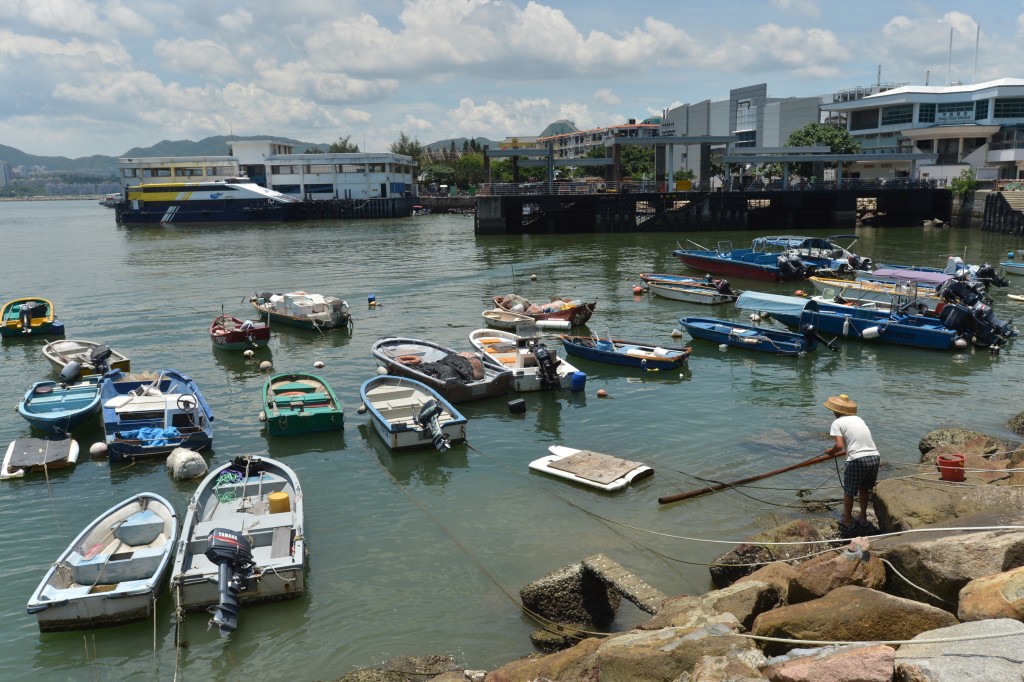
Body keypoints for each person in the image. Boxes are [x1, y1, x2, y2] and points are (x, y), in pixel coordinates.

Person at [822, 394, 880, 533]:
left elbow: (839, 446)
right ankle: (863, 518)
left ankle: (847, 520)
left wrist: (830, 452)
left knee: (849, 492)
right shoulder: (858, 419)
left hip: (857, 460)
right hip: (874, 456)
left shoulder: (837, 423)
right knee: (864, 487)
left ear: (836, 411)